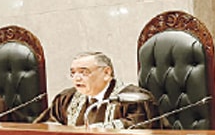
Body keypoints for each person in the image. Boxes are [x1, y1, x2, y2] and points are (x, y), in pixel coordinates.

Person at [35, 51, 163, 129]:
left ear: (107, 73)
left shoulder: (133, 99)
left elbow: (140, 129)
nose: (76, 78)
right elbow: (45, 127)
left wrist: (90, 130)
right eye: (73, 73)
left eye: (84, 72)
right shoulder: (65, 99)